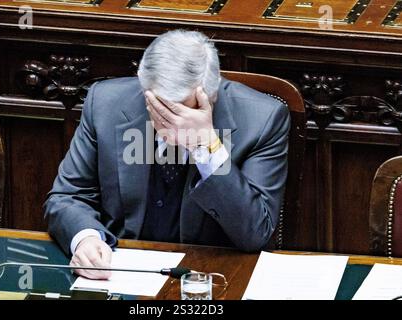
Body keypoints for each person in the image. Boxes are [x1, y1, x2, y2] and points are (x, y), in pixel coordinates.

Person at [44, 29, 290, 280]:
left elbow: (255, 233)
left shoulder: (262, 120)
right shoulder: (105, 103)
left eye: (179, 109)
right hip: (120, 272)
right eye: (157, 106)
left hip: (210, 276)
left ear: (210, 96)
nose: (166, 121)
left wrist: (207, 146)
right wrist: (86, 239)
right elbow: (67, 196)